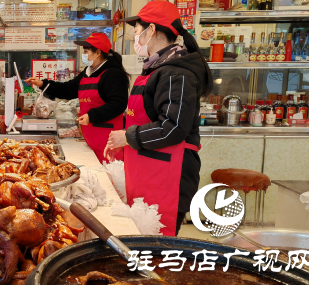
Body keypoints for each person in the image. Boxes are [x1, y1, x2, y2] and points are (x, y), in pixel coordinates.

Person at [106, 0, 213, 236]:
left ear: (151, 30)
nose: (135, 39)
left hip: (168, 177)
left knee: (158, 254)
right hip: (150, 170)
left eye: (136, 32)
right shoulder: (158, 69)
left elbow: (173, 126)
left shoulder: (178, 73)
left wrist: (128, 136)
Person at [25, 33, 129, 163]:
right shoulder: (88, 72)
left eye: (86, 51)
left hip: (109, 140)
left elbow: (119, 104)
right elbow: (68, 89)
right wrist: (43, 84)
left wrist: (91, 116)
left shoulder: (113, 74)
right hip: (91, 137)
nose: (83, 55)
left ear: (97, 52)